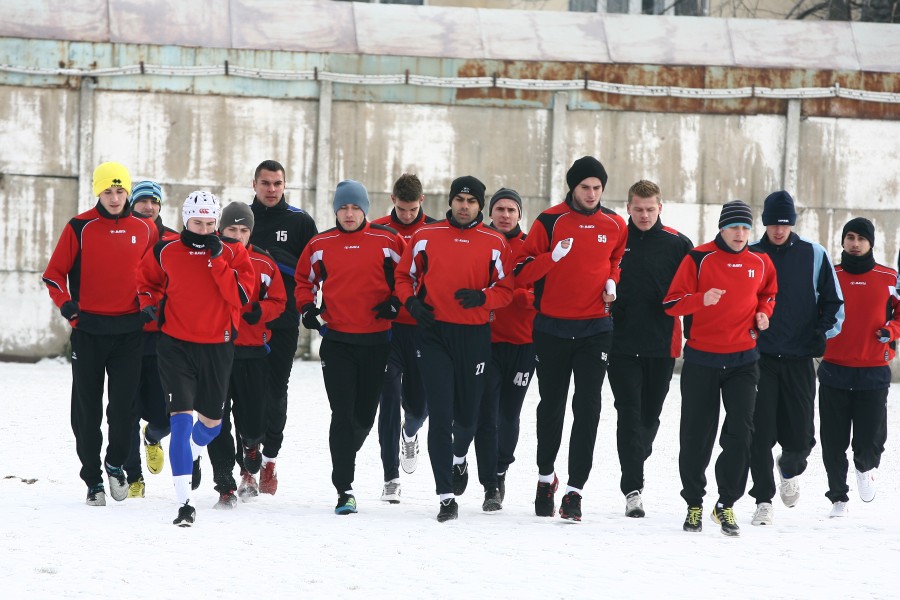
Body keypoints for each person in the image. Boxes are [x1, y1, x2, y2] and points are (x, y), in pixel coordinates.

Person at [514, 156, 626, 521]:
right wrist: (551, 257)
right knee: (551, 406)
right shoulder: (549, 221)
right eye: (585, 187)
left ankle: (575, 491)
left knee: (589, 408)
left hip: (596, 328)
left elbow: (615, 260)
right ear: (572, 188)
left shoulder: (615, 224)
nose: (591, 194)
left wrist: (613, 281)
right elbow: (522, 273)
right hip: (551, 328)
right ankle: (546, 477)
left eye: (597, 188)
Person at [395, 175, 513, 522]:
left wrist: (484, 297)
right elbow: (404, 277)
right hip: (433, 335)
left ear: (480, 205)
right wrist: (412, 304)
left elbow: (507, 289)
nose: (464, 206)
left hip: (474, 336)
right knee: (441, 413)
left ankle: (459, 458)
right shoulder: (424, 237)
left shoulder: (494, 242)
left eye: (471, 201)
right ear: (450, 201)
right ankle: (446, 496)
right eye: (459, 200)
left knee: (467, 418)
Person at [42, 162, 158, 506]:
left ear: (128, 192)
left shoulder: (146, 229)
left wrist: (151, 303)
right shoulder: (80, 227)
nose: (114, 197)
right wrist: (66, 305)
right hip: (89, 331)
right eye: (107, 190)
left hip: (129, 332)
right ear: (98, 191)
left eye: (120, 190)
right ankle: (92, 479)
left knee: (124, 408)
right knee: (86, 409)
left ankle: (115, 463)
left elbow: (156, 276)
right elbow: (53, 275)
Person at [138, 191, 256, 526]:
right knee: (180, 420)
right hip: (175, 345)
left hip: (218, 346)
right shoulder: (166, 250)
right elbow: (147, 281)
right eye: (197, 223)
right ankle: (184, 503)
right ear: (185, 220)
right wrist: (148, 301)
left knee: (211, 425)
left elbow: (240, 296)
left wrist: (218, 259)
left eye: (209, 224)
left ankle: (190, 454)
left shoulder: (233, 252)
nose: (203, 230)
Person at [663, 200, 777, 537]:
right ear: (722, 229)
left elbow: (768, 294)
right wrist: (700, 299)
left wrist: (764, 312)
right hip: (701, 360)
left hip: (744, 360)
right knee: (697, 435)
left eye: (745, 228)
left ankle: (725, 504)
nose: (740, 234)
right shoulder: (698, 258)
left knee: (741, 434)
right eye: (734, 227)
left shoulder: (761, 261)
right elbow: (670, 304)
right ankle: (694, 503)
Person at [294, 180, 405, 514]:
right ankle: (345, 488)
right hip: (338, 341)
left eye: (355, 207)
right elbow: (303, 281)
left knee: (364, 417)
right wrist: (308, 309)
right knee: (342, 414)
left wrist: (397, 303)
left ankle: (343, 454)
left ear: (365, 209)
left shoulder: (387, 240)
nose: (349, 213)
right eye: (343, 207)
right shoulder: (320, 243)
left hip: (377, 342)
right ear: (335, 210)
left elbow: (409, 276)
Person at [747, 191, 844, 526]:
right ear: (765, 222)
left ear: (793, 223)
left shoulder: (813, 254)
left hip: (800, 358)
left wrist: (821, 332)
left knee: (801, 438)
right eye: (773, 223)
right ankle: (763, 499)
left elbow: (834, 303)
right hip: (759, 359)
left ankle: (789, 469)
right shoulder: (752, 254)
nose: (778, 230)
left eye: (785, 224)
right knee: (759, 434)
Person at [608, 180, 693, 518]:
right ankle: (633, 488)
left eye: (650, 208)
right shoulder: (616, 238)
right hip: (621, 344)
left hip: (662, 345)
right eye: (638, 209)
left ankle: (637, 451)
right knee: (627, 413)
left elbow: (692, 293)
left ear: (661, 207)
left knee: (648, 418)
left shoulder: (678, 244)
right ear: (628, 208)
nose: (644, 215)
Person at [207, 202, 286, 508]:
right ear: (220, 230)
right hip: (215, 349)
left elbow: (279, 300)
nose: (237, 236)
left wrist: (259, 311)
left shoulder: (263, 262)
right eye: (231, 230)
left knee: (253, 419)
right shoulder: (210, 257)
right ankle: (225, 479)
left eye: (243, 230)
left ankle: (252, 445)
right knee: (216, 418)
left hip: (252, 352)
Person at [818, 218, 899, 517]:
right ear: (842, 241)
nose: (855, 243)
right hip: (834, 370)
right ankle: (838, 497)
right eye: (849, 237)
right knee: (833, 442)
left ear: (870, 243)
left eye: (861, 238)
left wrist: (891, 329)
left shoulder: (889, 276)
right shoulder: (829, 275)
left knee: (870, 440)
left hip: (873, 370)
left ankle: (866, 468)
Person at [248, 160, 318, 495]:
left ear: (285, 184)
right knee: (245, 393)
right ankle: (247, 459)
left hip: (285, 321)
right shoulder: (241, 219)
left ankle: (270, 459)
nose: (271, 189)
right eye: (265, 183)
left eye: (277, 183)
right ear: (254, 184)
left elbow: (316, 269)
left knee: (275, 392)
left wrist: (279, 262)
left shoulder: (300, 222)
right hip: (245, 323)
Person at [370, 173, 436, 503]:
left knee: (420, 404)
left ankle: (410, 433)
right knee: (388, 399)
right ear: (392, 200)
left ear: (421, 202)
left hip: (424, 330)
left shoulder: (435, 231)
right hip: (389, 329)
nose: (407, 215)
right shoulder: (378, 229)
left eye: (412, 210)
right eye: (402, 208)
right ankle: (390, 478)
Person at [472, 187, 537, 508]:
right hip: (485, 343)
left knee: (509, 415)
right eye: (500, 209)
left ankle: (501, 470)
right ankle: (489, 485)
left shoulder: (531, 247)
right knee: (486, 415)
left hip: (524, 345)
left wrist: (518, 297)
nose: (505, 215)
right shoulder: (479, 241)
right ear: (491, 212)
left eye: (511, 210)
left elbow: (544, 292)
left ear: (520, 214)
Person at [124, 180, 179, 498]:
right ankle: (134, 478)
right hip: (125, 334)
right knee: (125, 410)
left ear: (160, 206)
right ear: (134, 204)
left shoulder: (172, 240)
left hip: (163, 336)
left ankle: (153, 436)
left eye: (153, 201)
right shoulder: (121, 236)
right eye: (142, 201)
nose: (148, 206)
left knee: (165, 414)